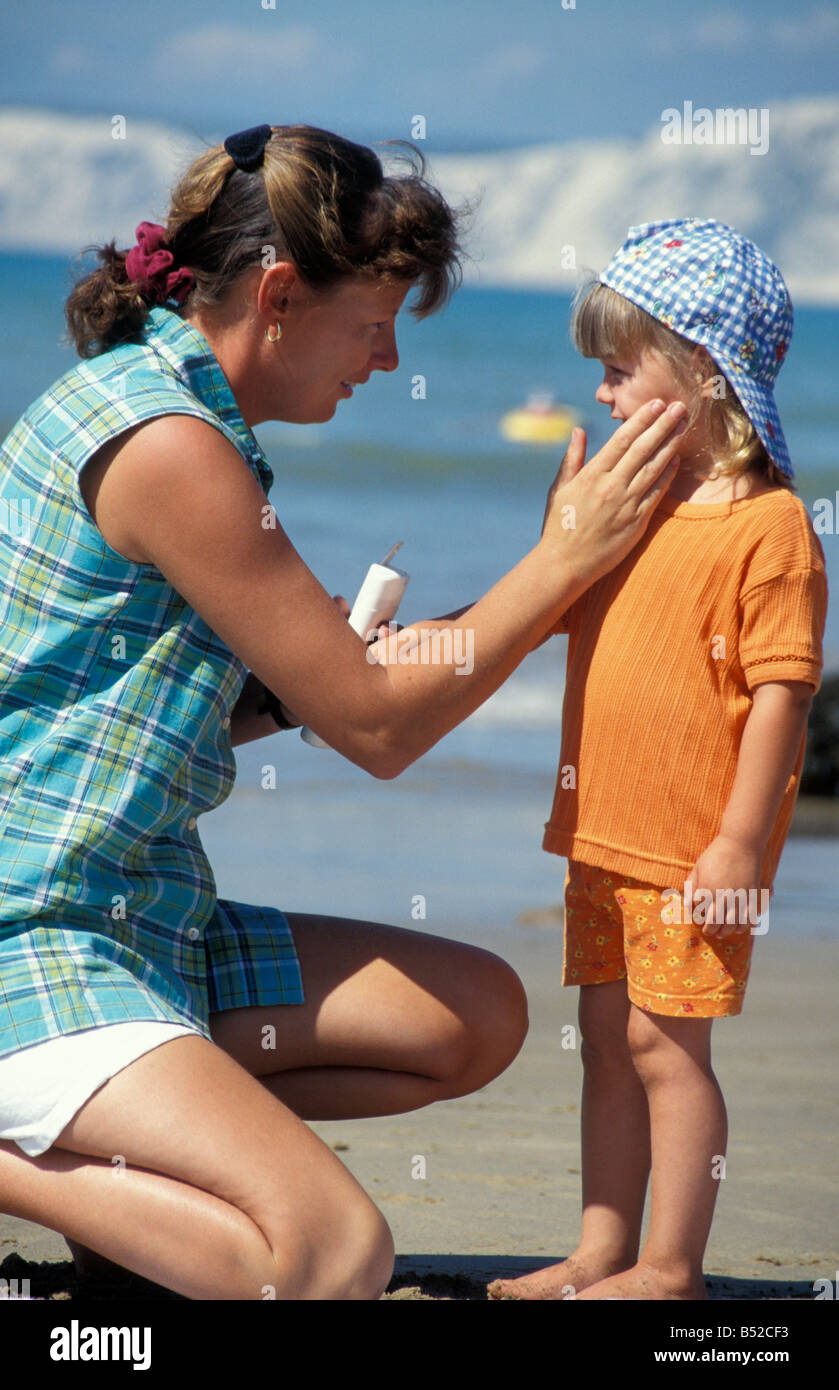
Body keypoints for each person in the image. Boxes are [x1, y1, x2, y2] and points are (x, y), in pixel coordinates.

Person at [0, 126, 686, 1302]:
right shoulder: (167, 444)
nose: (379, 358)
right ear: (277, 296)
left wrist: (553, 584)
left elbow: (325, 695)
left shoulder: (176, 413)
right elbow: (377, 729)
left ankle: (141, 1170)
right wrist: (561, 560)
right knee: (327, 1261)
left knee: (474, 1015)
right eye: (371, 324)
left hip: (146, 917)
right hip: (37, 929)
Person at [488, 218, 827, 1302]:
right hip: (602, 832)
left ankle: (669, 1266)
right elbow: (548, 616)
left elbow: (782, 692)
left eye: (616, 368)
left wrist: (737, 842)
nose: (598, 393)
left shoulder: (769, 528)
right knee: (601, 1037)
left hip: (693, 848)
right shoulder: (630, 512)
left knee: (664, 1049)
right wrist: (560, 535)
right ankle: (600, 1249)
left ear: (699, 375)